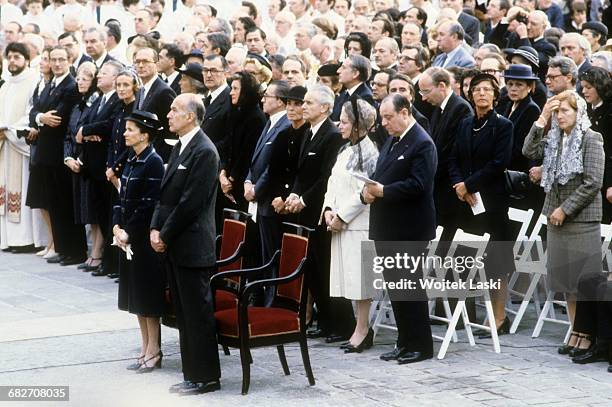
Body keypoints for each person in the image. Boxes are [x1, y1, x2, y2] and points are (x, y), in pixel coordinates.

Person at [523, 90, 605, 355]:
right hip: (555, 218)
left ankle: (588, 334)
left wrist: (565, 209)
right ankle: (575, 330)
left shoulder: (591, 138)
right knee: (566, 282)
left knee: (584, 281)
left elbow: (593, 182)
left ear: (578, 112)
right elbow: (528, 150)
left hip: (581, 219)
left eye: (564, 111)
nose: (560, 116)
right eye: (557, 112)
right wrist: (542, 117)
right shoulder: (554, 137)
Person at [151, 93, 221, 395]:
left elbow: (190, 203)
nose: (169, 114)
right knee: (183, 314)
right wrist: (155, 227)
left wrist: (164, 234)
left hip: (192, 244)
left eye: (175, 110)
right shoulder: (180, 146)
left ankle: (206, 377)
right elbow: (165, 194)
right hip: (175, 242)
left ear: (191, 116)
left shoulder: (204, 151)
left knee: (197, 315)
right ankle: (191, 373)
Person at [362, 93, 436, 364]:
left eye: (389, 117)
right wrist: (368, 189)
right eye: (383, 117)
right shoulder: (394, 141)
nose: (384, 123)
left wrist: (383, 191)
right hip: (388, 226)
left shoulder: (422, 143)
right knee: (396, 289)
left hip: (409, 227)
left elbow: (420, 185)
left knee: (410, 288)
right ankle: (404, 341)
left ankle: (420, 345)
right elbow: (382, 174)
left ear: (405, 112)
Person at [286, 85, 355, 343]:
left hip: (320, 210)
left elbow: (326, 176)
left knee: (327, 269)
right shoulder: (308, 132)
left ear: (325, 107)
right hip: (303, 211)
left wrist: (304, 199)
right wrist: (294, 194)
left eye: (308, 103)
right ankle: (325, 321)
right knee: (313, 269)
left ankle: (342, 324)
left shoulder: (332, 135)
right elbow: (302, 173)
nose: (303, 106)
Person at [448, 73, 515, 337]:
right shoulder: (465, 123)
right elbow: (453, 158)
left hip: (492, 200)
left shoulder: (503, 125)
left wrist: (470, 184)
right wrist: (459, 186)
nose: (482, 94)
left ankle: (499, 317)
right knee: (469, 258)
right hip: (467, 201)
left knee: (495, 261)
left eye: (487, 90)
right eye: (477, 90)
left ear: (495, 96)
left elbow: (499, 163)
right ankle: (471, 313)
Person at [322, 98, 379, 353]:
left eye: (344, 121)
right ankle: (358, 327)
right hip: (339, 223)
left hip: (358, 225)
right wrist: (327, 209)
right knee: (348, 279)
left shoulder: (370, 153)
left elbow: (364, 192)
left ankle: (363, 328)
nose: (339, 125)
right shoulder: (345, 150)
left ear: (358, 125)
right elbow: (332, 183)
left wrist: (341, 216)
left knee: (361, 280)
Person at [114, 110, 165, 373]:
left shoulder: (153, 161)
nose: (125, 133)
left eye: (131, 129)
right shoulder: (132, 160)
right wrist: (115, 225)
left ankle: (154, 349)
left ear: (145, 134)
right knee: (136, 298)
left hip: (142, 240)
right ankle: (144, 346)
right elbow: (120, 198)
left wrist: (128, 232)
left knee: (147, 297)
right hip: (127, 237)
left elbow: (148, 205)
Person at [29, 45, 87, 266]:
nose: (57, 63)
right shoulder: (49, 84)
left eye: (61, 59)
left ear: (69, 60)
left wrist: (41, 116)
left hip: (59, 152)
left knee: (65, 203)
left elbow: (59, 117)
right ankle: (63, 248)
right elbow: (36, 110)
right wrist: (40, 117)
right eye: (53, 59)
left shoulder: (70, 86)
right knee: (54, 202)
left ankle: (75, 250)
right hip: (46, 152)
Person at [244, 80, 291, 305]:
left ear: (280, 101)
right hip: (258, 199)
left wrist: (256, 189)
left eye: (268, 96)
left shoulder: (284, 125)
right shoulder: (270, 123)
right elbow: (256, 160)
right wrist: (247, 181)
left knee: (273, 254)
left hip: (269, 199)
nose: (263, 99)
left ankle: (274, 302)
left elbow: (274, 166)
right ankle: (266, 297)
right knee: (264, 253)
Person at [0, 42, 46, 253]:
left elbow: (31, 112)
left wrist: (9, 130)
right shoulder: (6, 84)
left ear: (27, 59)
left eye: (17, 57)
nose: (12, 61)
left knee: (23, 190)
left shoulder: (33, 81)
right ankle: (9, 240)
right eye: (9, 56)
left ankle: (26, 240)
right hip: (5, 146)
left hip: (20, 146)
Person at [419, 67, 473, 242]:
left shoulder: (461, 109)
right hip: (438, 190)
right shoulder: (440, 108)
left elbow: (451, 152)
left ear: (442, 86)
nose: (423, 97)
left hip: (449, 192)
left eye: (426, 91)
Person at [62, 61, 99, 270]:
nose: (80, 81)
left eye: (86, 77)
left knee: (93, 211)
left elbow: (91, 137)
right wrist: (68, 158)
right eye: (79, 77)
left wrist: (82, 160)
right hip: (75, 162)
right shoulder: (77, 106)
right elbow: (69, 136)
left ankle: (97, 253)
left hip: (88, 162)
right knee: (84, 212)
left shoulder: (95, 106)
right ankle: (91, 250)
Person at [219, 71, 266, 212]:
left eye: (235, 89)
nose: (230, 93)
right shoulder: (234, 112)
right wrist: (223, 174)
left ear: (245, 91)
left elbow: (248, 153)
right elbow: (228, 147)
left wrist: (231, 179)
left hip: (241, 183)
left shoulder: (256, 118)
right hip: (226, 180)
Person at [499, 64, 543, 214]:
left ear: (529, 87)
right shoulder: (508, 104)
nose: (513, 88)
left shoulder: (531, 108)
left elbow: (521, 146)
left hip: (516, 172)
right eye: (510, 84)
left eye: (519, 84)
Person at [269, 85, 309, 221]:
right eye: (288, 104)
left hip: (296, 203)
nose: (291, 108)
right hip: (277, 202)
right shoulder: (282, 134)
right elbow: (273, 169)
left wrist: (286, 197)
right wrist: (278, 196)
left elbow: (303, 173)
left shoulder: (309, 134)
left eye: (297, 104)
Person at [579, 67, 612, 223]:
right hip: (588, 175)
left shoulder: (609, 112)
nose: (584, 91)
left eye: (589, 87)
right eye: (583, 87)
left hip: (606, 176)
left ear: (599, 86)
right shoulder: (585, 109)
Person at [133, 47, 176, 162]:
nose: (141, 65)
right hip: (140, 154)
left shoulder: (164, 91)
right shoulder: (141, 90)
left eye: (146, 61)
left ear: (156, 64)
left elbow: (171, 131)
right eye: (137, 62)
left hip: (157, 156)